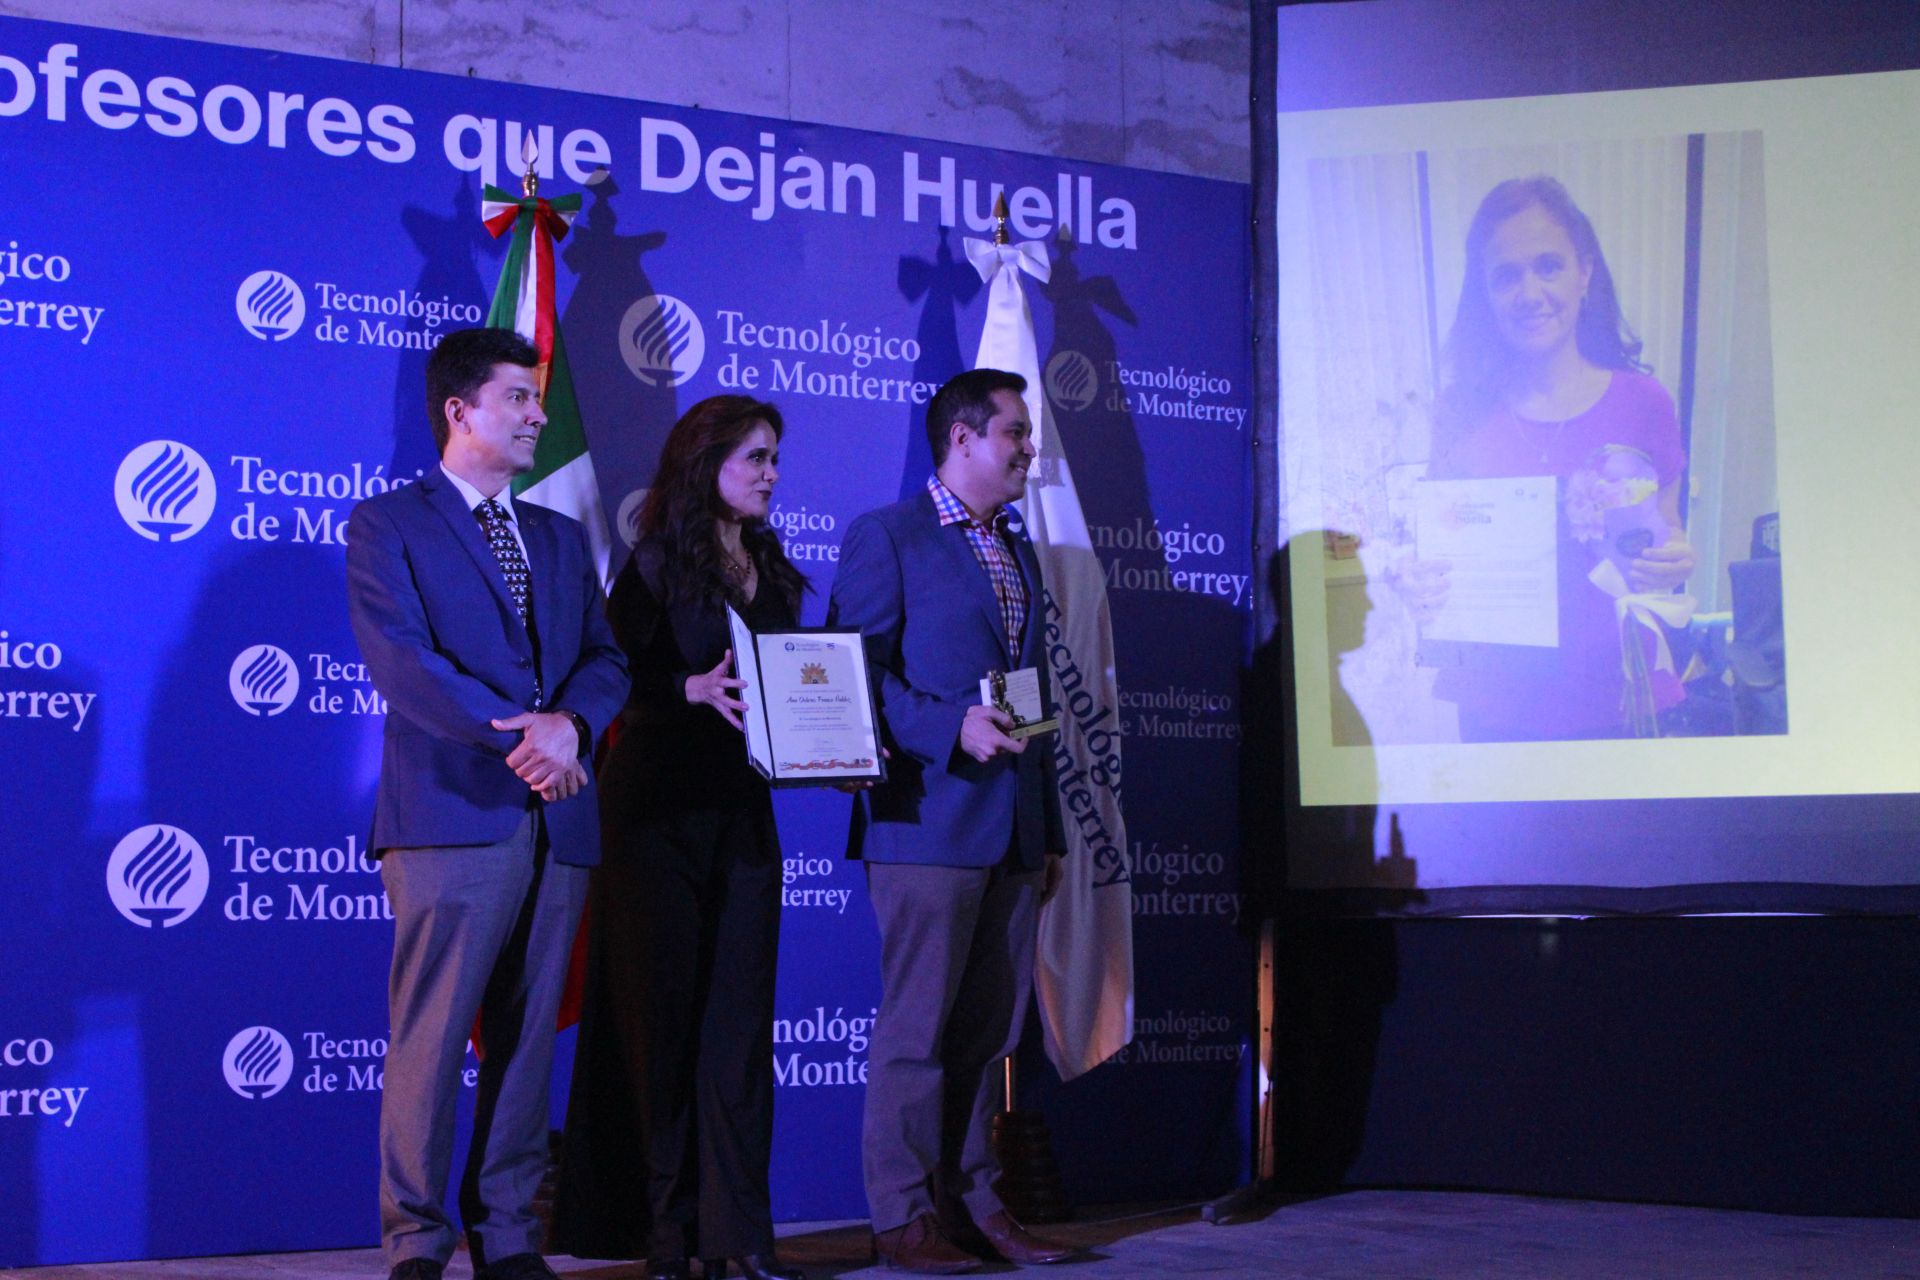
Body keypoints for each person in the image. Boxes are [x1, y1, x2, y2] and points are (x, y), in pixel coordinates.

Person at [345, 327, 629, 1280]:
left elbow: (605, 658)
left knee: (525, 1040)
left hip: (563, 815)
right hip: (452, 816)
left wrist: (574, 731)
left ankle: (507, 1235)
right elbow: (405, 661)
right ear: (460, 411)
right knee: (432, 1039)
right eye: (519, 397)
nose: (539, 414)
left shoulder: (555, 534)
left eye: (539, 397)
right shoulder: (388, 524)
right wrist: (528, 739)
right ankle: (417, 1242)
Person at [551, 396, 807, 1280]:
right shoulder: (654, 562)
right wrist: (681, 695)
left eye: (775, 459)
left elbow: (793, 688)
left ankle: (742, 1240)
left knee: (739, 1028)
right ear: (708, 465)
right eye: (757, 459)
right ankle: (667, 1239)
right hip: (653, 815)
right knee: (660, 1028)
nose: (772, 474)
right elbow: (607, 676)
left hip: (743, 817)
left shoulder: (772, 566)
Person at [828, 369, 1075, 1274]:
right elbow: (852, 675)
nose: (1027, 448)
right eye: (1014, 432)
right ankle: (900, 1220)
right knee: (917, 1030)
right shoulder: (887, 537)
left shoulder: (1018, 546)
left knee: (986, 1034)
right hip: (925, 823)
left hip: (1011, 831)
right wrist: (946, 725)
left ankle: (974, 1207)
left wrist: (1045, 832)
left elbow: (1032, 695)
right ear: (963, 438)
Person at [1401, 175, 1697, 741]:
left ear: (1585, 272)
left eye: (1548, 265)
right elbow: (1437, 552)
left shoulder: (1643, 403)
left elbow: (1669, 531)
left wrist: (1676, 559)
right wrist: (1419, 583)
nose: (1529, 292)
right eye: (1507, 275)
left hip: (1620, 697)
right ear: (1485, 294)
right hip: (1498, 707)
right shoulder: (1459, 413)